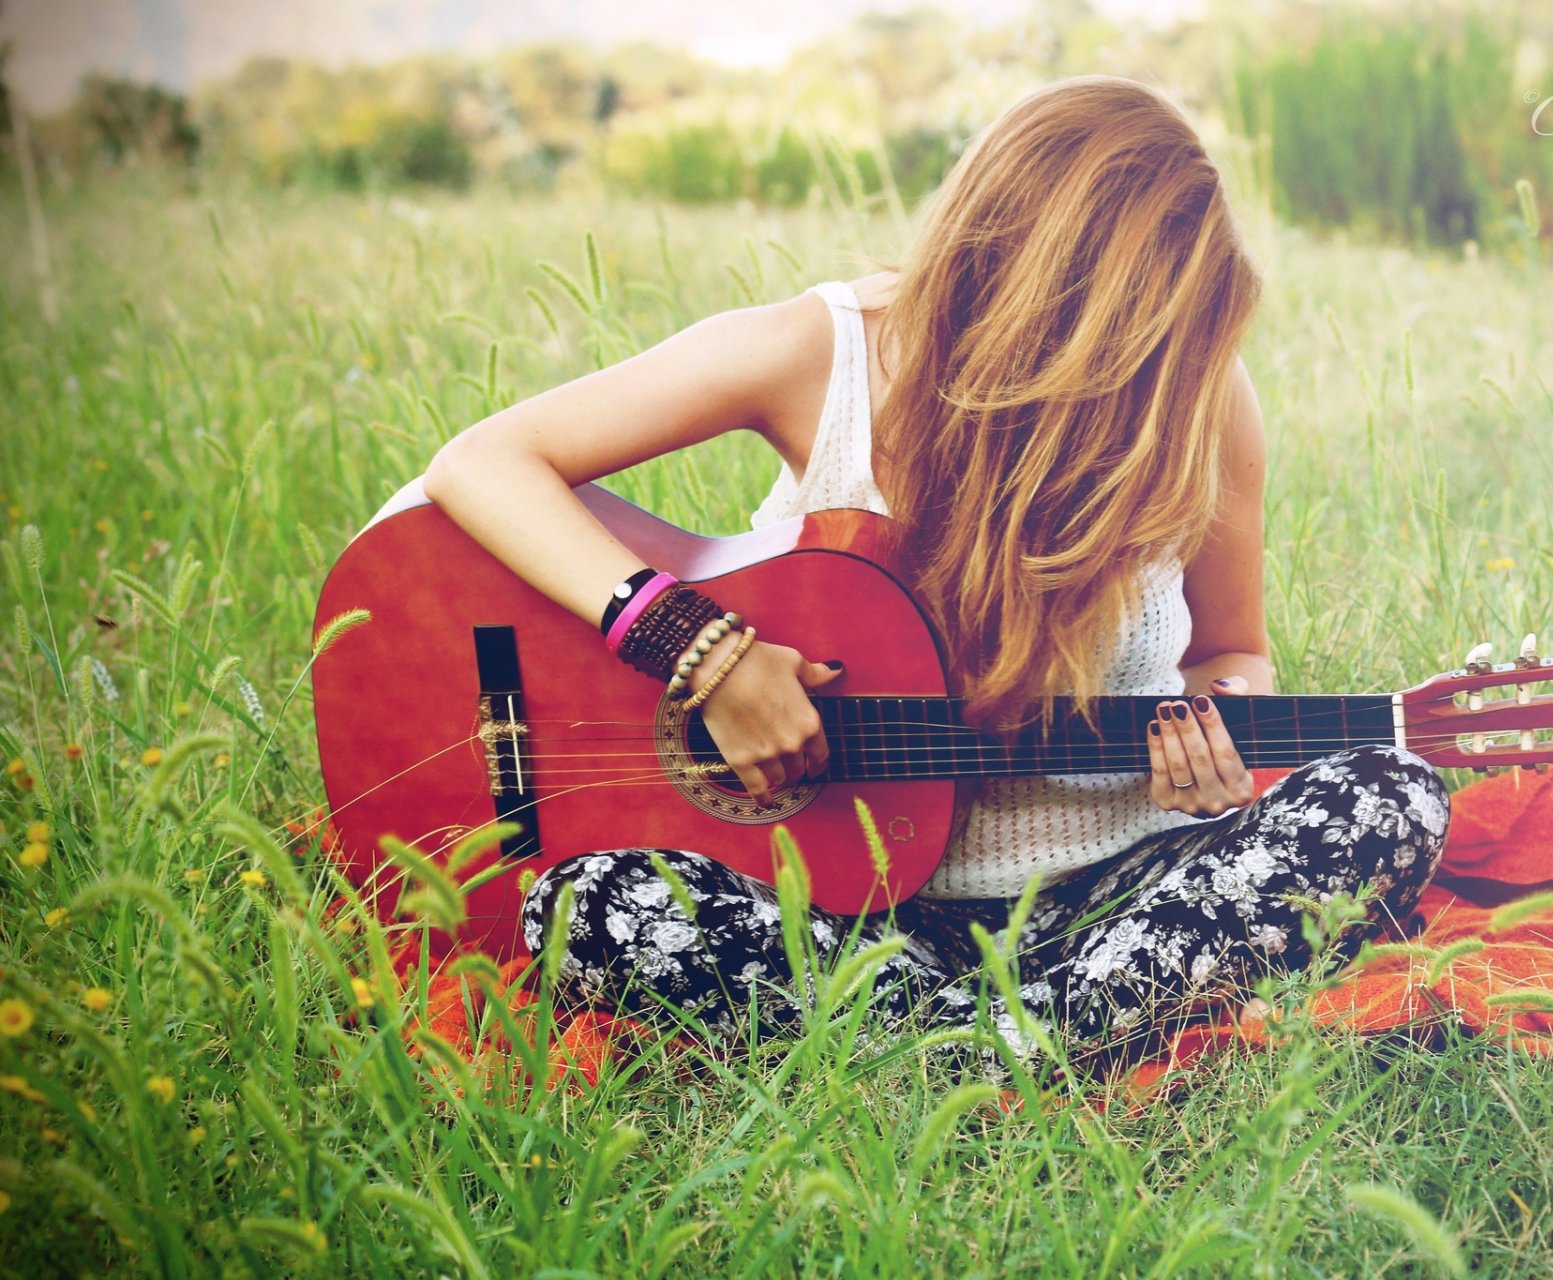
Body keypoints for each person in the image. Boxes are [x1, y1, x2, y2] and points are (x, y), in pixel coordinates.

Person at [421, 76, 1450, 1074]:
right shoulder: (820, 353)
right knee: (586, 898)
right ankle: (1060, 1034)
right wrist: (698, 647)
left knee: (1392, 793)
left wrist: (1219, 729)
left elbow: (1236, 650)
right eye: (1130, 340)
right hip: (846, 910)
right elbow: (481, 463)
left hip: (1131, 887)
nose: (1150, 372)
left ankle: (946, 1052)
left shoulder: (1196, 388)